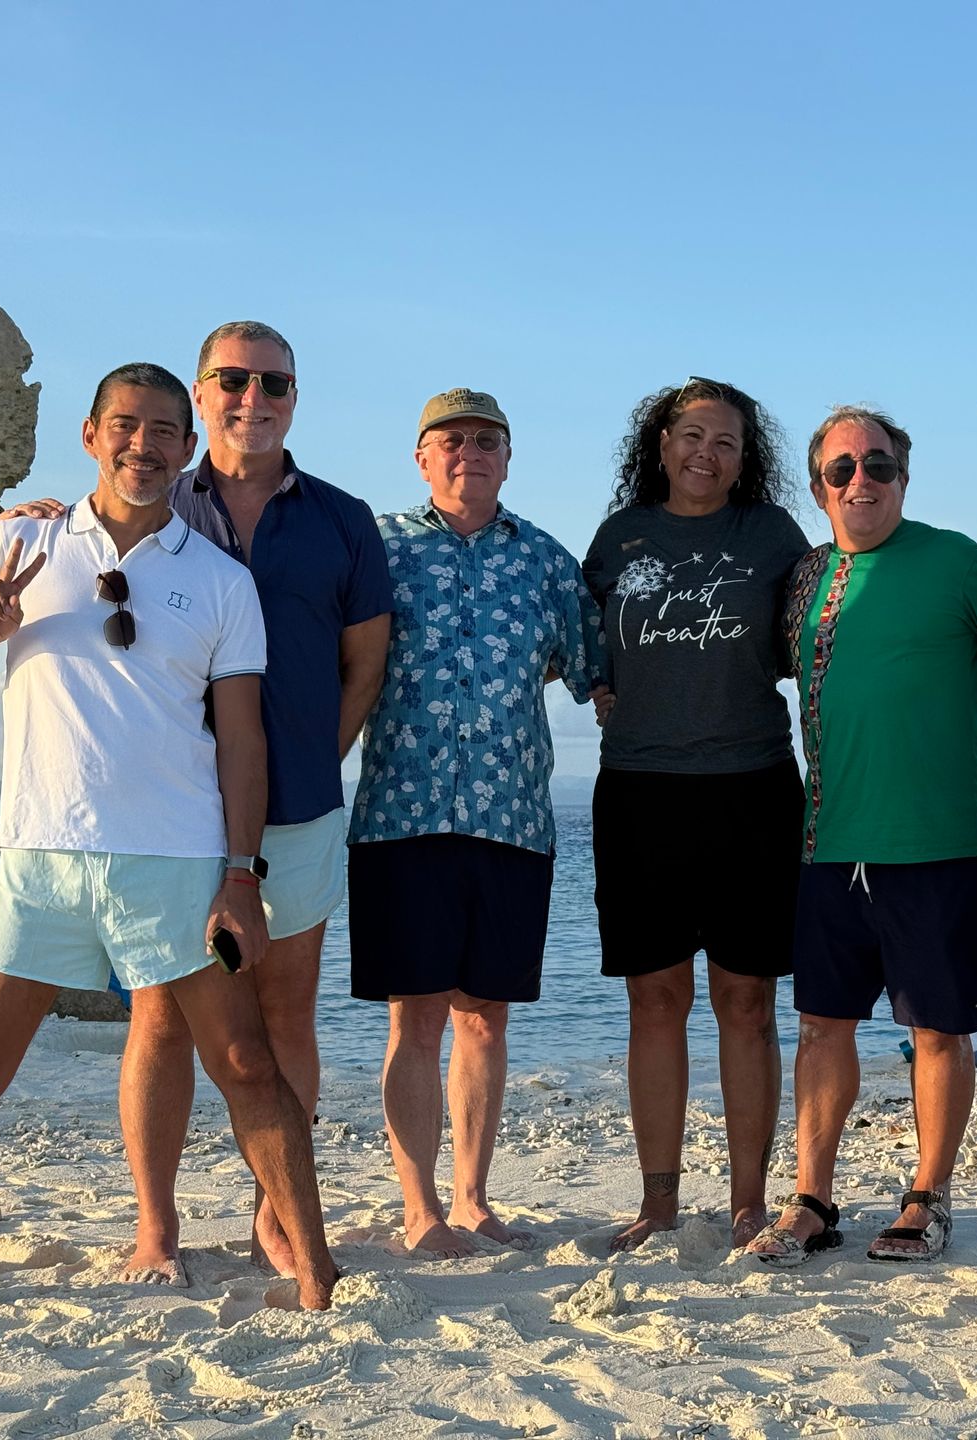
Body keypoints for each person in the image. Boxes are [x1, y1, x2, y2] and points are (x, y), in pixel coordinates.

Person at [0, 364, 337, 1329]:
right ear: (91, 435)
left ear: (186, 446)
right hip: (38, 862)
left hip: (176, 865)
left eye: (164, 430)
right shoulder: (22, 541)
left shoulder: (221, 581)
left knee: (248, 1067)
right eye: (125, 425)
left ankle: (319, 1277)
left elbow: (243, 741)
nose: (144, 445)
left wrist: (240, 875)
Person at [2, 323, 392, 1284]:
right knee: (160, 1020)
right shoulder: (152, 497)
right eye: (232, 379)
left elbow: (365, 666)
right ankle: (155, 1226)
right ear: (202, 393)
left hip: (295, 809)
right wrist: (36, 518)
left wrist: (313, 762)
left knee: (284, 1017)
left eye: (274, 383)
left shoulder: (343, 519)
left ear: (294, 397)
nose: (252, 398)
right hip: (168, 814)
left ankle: (275, 1215)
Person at [744, 406, 977, 1266]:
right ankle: (812, 1202)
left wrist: (954, 680)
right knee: (821, 1026)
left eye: (879, 465)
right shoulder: (805, 578)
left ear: (904, 475)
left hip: (940, 840)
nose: (861, 480)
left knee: (939, 1030)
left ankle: (927, 1199)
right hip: (828, 839)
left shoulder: (958, 560)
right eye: (842, 469)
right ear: (819, 486)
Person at [349, 388, 603, 1257]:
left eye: (487, 440)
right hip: (401, 815)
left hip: (512, 817)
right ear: (422, 458)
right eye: (451, 440)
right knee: (415, 1016)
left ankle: (472, 1200)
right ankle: (418, 1207)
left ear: (508, 457)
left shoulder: (546, 562)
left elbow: (599, 672)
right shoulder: (377, 547)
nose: (470, 453)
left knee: (485, 1016)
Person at [581, 377, 809, 1251]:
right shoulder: (620, 537)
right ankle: (660, 1202)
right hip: (640, 790)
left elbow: (811, 639)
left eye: (725, 442)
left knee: (747, 1000)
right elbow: (583, 640)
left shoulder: (772, 536)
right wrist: (600, 684)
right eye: (690, 436)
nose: (705, 454)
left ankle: (749, 1200)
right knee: (655, 998)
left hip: (752, 786)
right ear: (661, 443)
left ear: (746, 460)